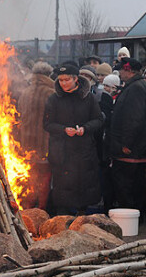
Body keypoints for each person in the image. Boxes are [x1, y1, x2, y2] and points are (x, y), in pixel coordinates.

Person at [43, 63, 103, 215]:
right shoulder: (54, 99)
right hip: (61, 152)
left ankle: (82, 218)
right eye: (61, 80)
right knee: (62, 190)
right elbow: (47, 124)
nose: (63, 83)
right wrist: (63, 130)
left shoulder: (88, 98)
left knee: (83, 187)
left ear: (76, 79)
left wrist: (85, 129)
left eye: (66, 80)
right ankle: (61, 220)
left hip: (84, 151)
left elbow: (98, 120)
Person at [110, 58, 146, 212]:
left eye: (121, 70)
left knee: (127, 186)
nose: (120, 73)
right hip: (136, 149)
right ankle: (134, 215)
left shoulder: (135, 88)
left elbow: (133, 119)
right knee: (134, 185)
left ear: (128, 70)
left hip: (130, 150)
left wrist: (125, 144)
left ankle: (129, 216)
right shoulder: (138, 86)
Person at [16, 61, 55, 209]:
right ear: (48, 75)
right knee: (45, 179)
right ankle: (41, 211)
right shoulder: (51, 93)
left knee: (30, 179)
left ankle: (28, 210)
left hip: (26, 144)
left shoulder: (25, 92)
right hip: (45, 143)